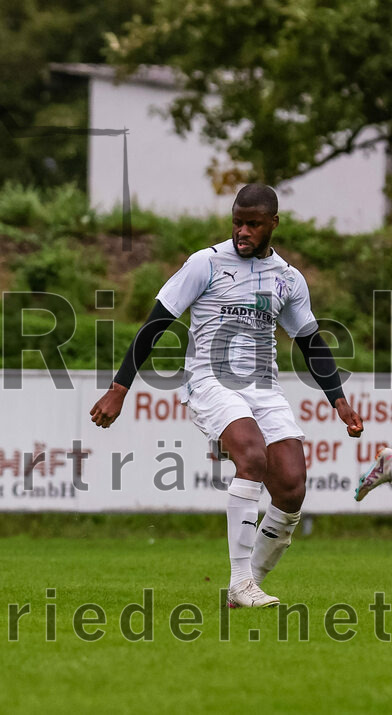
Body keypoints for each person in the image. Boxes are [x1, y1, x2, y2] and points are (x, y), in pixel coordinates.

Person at [89, 183, 363, 609]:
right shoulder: (207, 263)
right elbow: (156, 323)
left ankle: (247, 585)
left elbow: (310, 342)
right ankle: (240, 582)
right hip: (210, 380)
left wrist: (338, 400)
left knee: (291, 488)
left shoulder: (288, 279)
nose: (242, 232)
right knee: (252, 456)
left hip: (264, 387)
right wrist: (119, 388)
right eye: (237, 222)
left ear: (273, 223)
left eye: (253, 224)